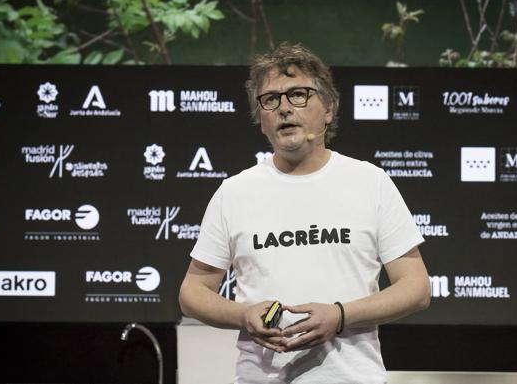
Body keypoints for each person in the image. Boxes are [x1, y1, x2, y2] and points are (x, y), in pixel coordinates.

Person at [179, 42, 430, 384]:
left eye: (298, 94)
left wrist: (340, 315)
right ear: (261, 120)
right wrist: (243, 315)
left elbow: (416, 287)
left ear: (328, 109)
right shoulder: (234, 192)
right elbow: (192, 292)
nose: (284, 108)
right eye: (271, 99)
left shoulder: (370, 182)